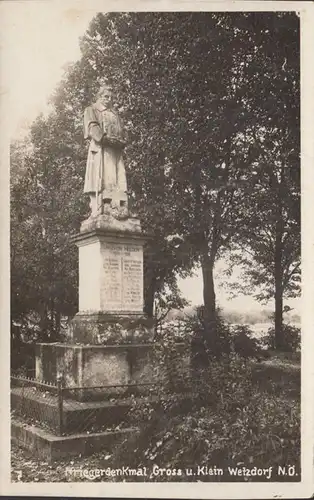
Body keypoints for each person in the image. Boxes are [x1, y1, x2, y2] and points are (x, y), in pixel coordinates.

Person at [83, 83, 128, 216]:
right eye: (106, 96)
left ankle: (119, 205)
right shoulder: (91, 110)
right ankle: (104, 204)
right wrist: (105, 139)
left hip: (116, 149)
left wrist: (122, 140)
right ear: (99, 96)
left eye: (111, 97)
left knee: (118, 176)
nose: (109, 99)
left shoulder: (115, 114)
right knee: (104, 176)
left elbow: (123, 131)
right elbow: (92, 127)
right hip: (101, 148)